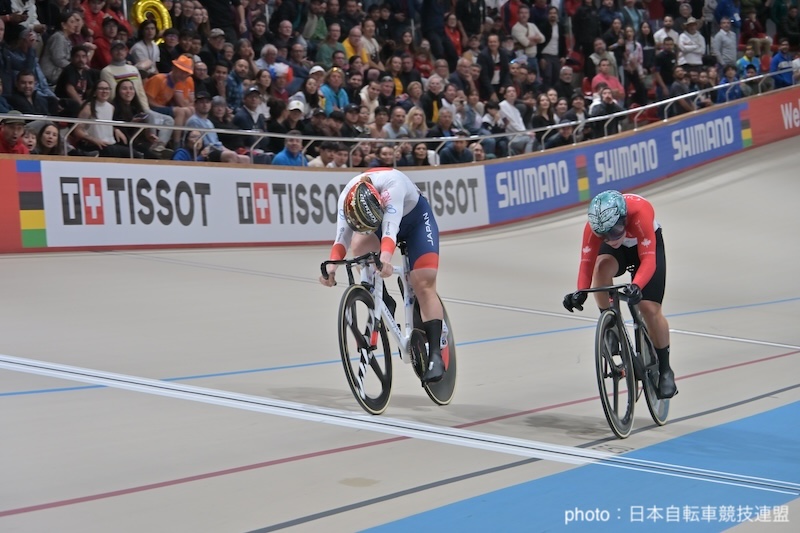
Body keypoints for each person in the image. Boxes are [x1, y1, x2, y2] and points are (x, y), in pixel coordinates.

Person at [319, 168, 447, 383]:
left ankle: (435, 353)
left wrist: (385, 259)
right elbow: (341, 238)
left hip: (415, 220)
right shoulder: (347, 198)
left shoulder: (392, 187)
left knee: (423, 282)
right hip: (377, 223)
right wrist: (331, 269)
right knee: (358, 247)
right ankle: (383, 297)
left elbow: (390, 229)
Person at [563, 190, 677, 399]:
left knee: (649, 308)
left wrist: (637, 285)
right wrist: (581, 291)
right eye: (604, 235)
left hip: (645, 247)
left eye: (614, 231)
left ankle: (666, 369)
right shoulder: (596, 227)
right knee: (601, 267)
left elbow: (649, 260)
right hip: (621, 252)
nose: (610, 239)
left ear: (624, 219)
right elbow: (586, 263)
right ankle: (611, 326)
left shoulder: (640, 212)